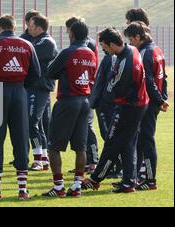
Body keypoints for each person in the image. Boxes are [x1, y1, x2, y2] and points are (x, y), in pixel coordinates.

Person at [0, 15, 41, 201]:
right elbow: (36, 73)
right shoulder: (26, 44)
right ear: (15, 27)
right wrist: (21, 86)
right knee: (21, 138)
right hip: (19, 92)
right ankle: (23, 189)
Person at [82, 27, 149, 193]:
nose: (103, 49)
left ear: (112, 44)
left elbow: (113, 90)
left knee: (112, 142)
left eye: (104, 45)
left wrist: (102, 101)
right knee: (127, 143)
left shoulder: (125, 62)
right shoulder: (131, 50)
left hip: (129, 107)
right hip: (136, 104)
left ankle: (95, 179)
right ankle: (128, 182)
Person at [41, 20, 97, 198]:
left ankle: (58, 187)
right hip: (85, 101)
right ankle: (77, 186)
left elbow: (50, 72)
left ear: (72, 34)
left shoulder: (67, 52)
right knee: (80, 147)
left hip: (67, 101)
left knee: (53, 146)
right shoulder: (90, 53)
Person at [124, 21, 169, 190]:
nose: (130, 43)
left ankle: (150, 180)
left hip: (148, 103)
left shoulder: (144, 53)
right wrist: (162, 98)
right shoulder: (157, 50)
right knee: (141, 141)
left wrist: (158, 100)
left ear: (138, 36)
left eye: (131, 39)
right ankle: (136, 177)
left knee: (146, 140)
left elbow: (148, 81)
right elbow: (163, 78)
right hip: (153, 103)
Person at [21, 14, 58, 171]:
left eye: (31, 26)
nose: (29, 28)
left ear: (38, 27)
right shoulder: (37, 40)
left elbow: (26, 54)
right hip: (35, 87)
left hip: (39, 87)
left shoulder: (46, 42)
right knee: (39, 124)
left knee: (31, 122)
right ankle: (43, 158)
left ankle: (37, 159)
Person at [65, 17, 99, 174]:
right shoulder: (84, 44)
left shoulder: (88, 44)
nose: (68, 34)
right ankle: (87, 162)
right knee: (82, 127)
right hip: (83, 89)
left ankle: (93, 161)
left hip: (86, 89)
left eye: (68, 30)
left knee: (88, 126)